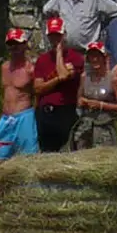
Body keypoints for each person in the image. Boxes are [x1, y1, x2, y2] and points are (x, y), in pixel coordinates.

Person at [32, 16, 84, 154]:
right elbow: (38, 88)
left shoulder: (75, 57)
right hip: (46, 112)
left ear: (64, 35)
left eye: (58, 36)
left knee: (67, 151)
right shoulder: (42, 60)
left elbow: (63, 74)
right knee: (46, 152)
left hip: (66, 109)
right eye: (52, 36)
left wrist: (59, 53)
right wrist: (56, 80)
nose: (55, 39)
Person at [0, 27, 39, 160]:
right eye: (11, 45)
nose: (14, 48)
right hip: (6, 117)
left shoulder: (30, 69)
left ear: (24, 45)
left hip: (24, 116)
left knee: (28, 157)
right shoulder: (5, 67)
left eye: (17, 45)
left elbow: (37, 93)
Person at [70, 44, 117, 149]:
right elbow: (79, 99)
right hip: (86, 126)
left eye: (98, 56)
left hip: (105, 126)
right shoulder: (84, 76)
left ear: (104, 58)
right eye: (92, 56)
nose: (95, 59)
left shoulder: (114, 78)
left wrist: (101, 105)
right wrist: (82, 101)